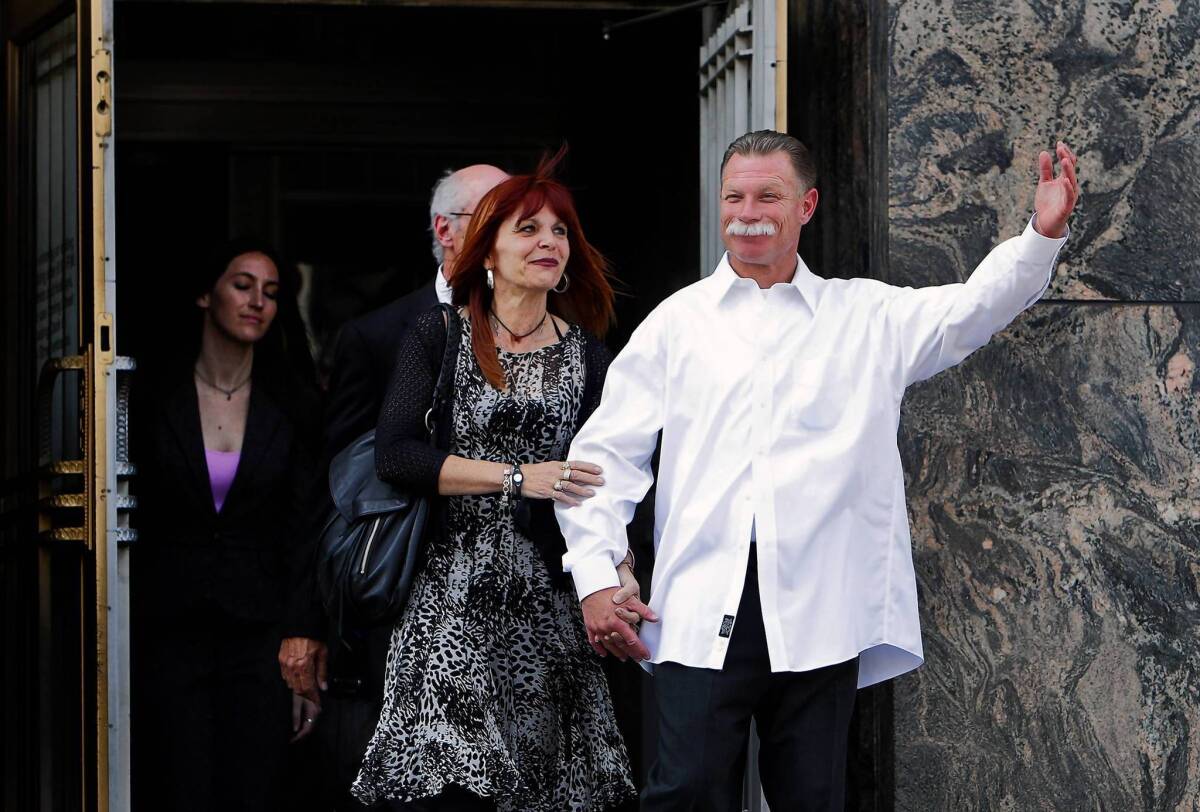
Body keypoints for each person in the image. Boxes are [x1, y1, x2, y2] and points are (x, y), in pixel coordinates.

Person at [556, 130, 1080, 810]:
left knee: (811, 797)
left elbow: (969, 311)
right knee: (683, 792)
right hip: (699, 604)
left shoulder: (866, 315)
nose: (747, 211)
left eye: (767, 195)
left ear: (806, 205)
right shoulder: (675, 323)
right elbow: (602, 460)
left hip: (821, 608)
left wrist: (1041, 234)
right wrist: (596, 575)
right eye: (734, 196)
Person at [351, 156, 642, 810]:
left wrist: (620, 566)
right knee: (454, 788)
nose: (548, 242)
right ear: (488, 250)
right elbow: (397, 455)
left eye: (560, 232)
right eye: (528, 229)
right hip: (452, 597)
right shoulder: (441, 334)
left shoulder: (590, 353)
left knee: (544, 787)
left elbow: (608, 478)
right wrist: (517, 478)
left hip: (551, 607)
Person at [277, 164, 510, 810]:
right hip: (404, 605)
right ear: (447, 231)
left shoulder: (551, 332)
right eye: (499, 219)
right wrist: (307, 623)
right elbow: (335, 487)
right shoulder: (376, 337)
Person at [131, 240, 322, 811]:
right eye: (242, 285)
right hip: (169, 627)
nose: (256, 302)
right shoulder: (151, 397)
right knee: (176, 780)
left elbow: (306, 528)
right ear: (204, 294)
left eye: (269, 292)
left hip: (259, 636)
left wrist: (302, 638)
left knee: (254, 784)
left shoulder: (292, 404)